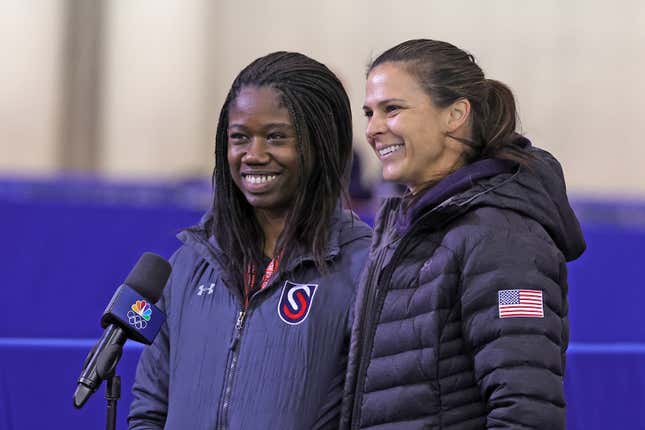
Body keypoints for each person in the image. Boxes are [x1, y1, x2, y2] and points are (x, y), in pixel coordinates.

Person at [341, 39, 586, 429]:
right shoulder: (404, 227)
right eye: (369, 112)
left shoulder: (502, 236)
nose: (372, 129)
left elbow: (526, 411)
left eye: (392, 109)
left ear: (455, 114)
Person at [129, 51, 372, 429]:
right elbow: (150, 405)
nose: (253, 155)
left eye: (276, 137)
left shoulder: (363, 266)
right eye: (240, 137)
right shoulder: (191, 262)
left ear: (322, 145)